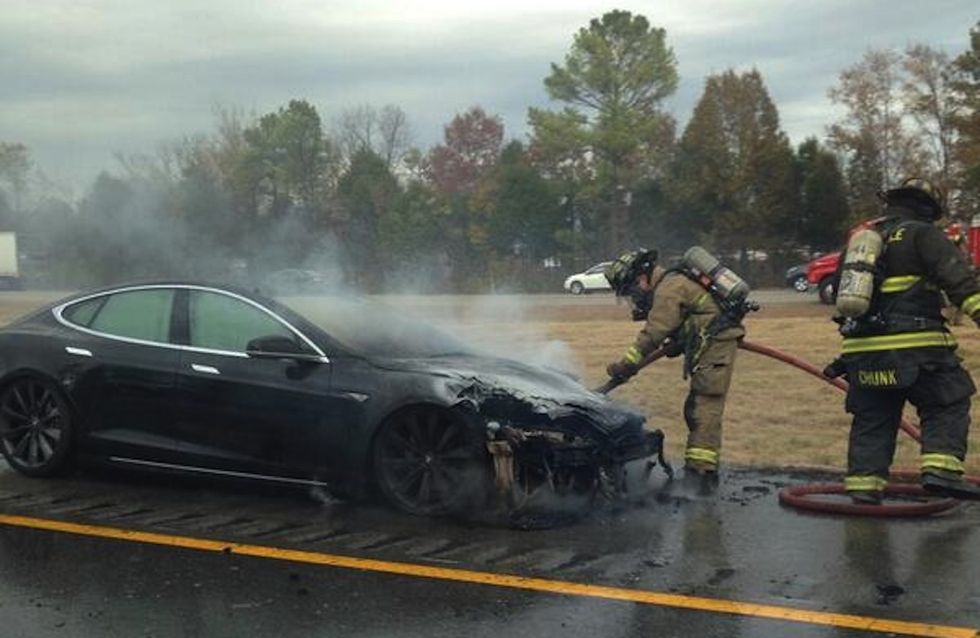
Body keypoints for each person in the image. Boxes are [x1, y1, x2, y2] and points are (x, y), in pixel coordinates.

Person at [835, 177, 980, 504]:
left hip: (861, 351)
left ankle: (863, 487)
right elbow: (962, 285)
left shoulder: (861, 240)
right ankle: (941, 471)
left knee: (873, 417)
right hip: (916, 346)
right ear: (928, 207)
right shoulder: (923, 234)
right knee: (947, 399)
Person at [604, 248, 746, 489]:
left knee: (704, 411)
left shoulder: (669, 288)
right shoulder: (671, 283)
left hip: (716, 347)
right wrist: (679, 344)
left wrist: (626, 365)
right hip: (710, 345)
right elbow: (693, 317)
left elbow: (654, 332)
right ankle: (697, 472)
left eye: (631, 291)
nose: (634, 298)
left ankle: (701, 478)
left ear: (641, 278)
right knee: (695, 408)